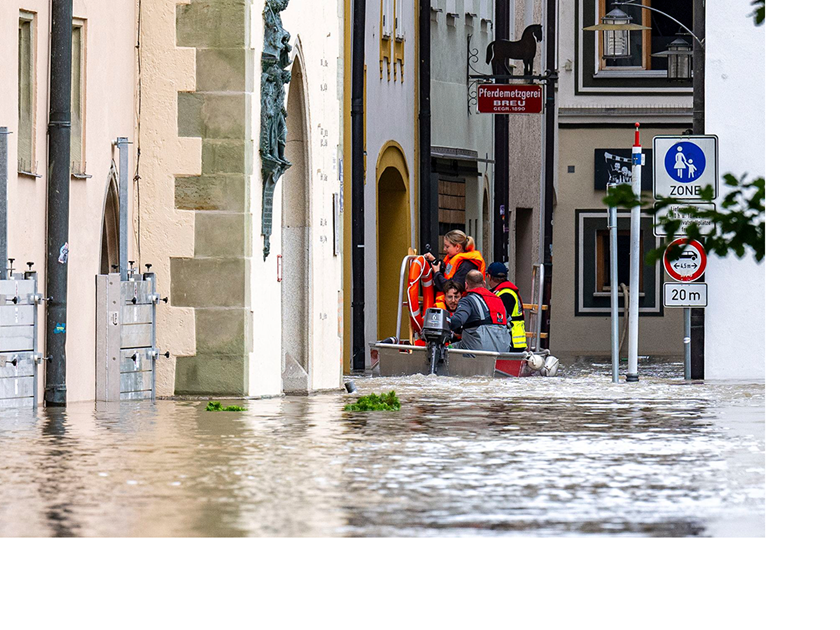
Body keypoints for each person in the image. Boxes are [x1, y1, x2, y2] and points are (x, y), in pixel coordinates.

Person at [448, 270, 510, 353]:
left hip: (478, 353)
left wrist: (443, 325)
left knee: (447, 350)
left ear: (466, 285)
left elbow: (458, 320)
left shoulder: (468, 300)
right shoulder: (498, 300)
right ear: (484, 284)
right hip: (502, 352)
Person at [486, 262, 527, 352]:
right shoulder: (506, 291)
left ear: (489, 276)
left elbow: (499, 319)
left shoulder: (505, 294)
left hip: (511, 341)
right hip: (512, 340)